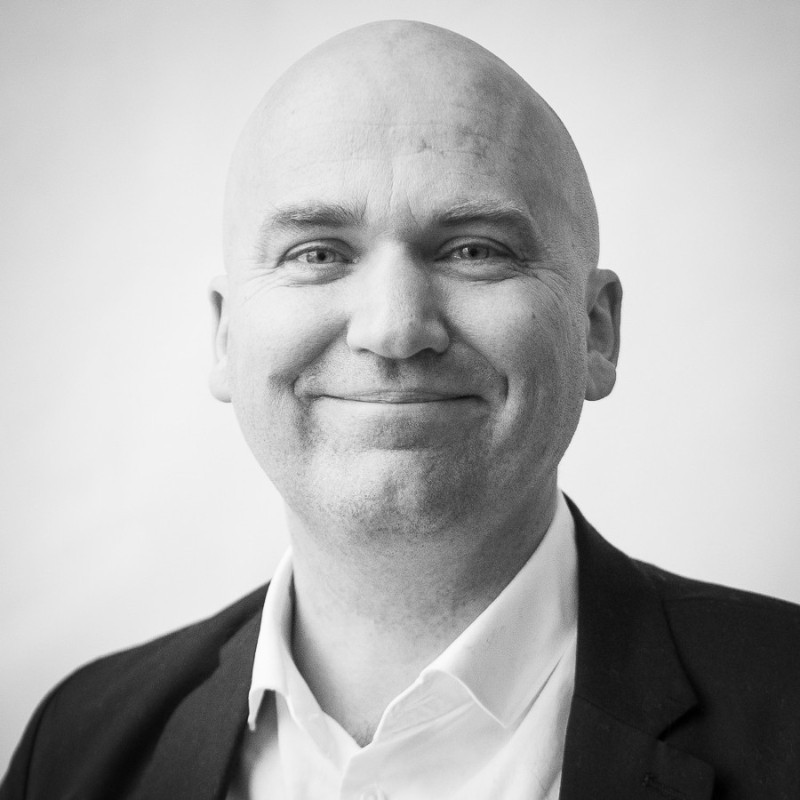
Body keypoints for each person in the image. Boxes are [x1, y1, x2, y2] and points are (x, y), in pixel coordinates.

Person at [2, 19, 799, 800]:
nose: (392, 328)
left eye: (474, 249)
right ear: (224, 336)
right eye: (317, 253)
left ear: (596, 331)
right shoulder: (75, 749)